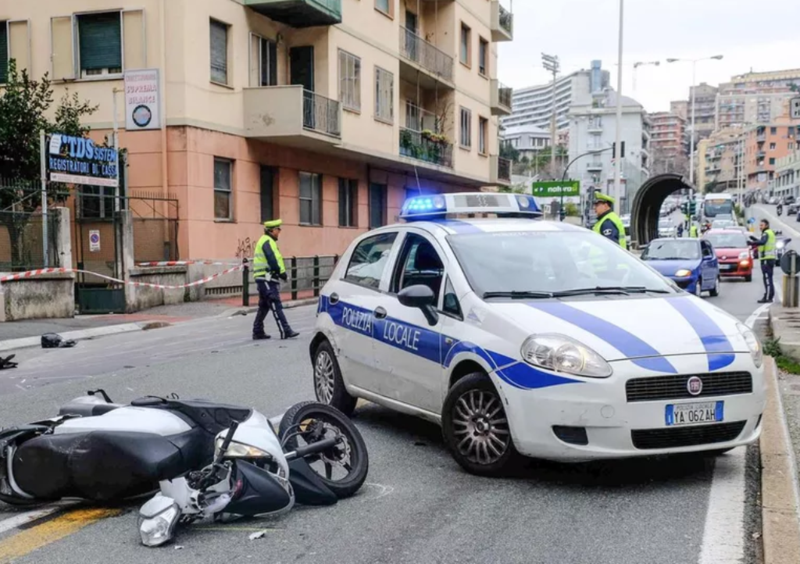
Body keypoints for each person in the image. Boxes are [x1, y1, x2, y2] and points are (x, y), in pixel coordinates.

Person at [251, 219, 299, 340]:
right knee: (275, 303)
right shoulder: (267, 241)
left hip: (264, 278)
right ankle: (285, 330)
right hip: (267, 278)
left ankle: (258, 331)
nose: (279, 232)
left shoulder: (267, 241)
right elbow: (272, 260)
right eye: (278, 229)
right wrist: (281, 274)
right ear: (271, 230)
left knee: (264, 305)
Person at [749, 219, 776, 304]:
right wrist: (756, 239)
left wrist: (752, 242)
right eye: (760, 225)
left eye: (762, 225)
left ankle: (768, 297)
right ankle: (769, 296)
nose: (760, 227)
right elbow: (764, 241)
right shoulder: (770, 232)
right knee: (769, 278)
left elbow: (763, 242)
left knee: (767, 279)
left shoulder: (766, 233)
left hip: (766, 259)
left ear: (766, 225)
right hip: (770, 258)